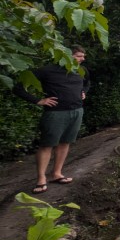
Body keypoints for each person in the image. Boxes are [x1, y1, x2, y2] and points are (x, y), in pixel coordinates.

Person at [13, 45, 90, 194]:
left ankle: (57, 174)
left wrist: (83, 92)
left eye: (83, 56)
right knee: (47, 145)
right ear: (67, 56)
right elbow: (18, 88)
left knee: (65, 143)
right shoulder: (47, 71)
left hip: (76, 111)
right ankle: (41, 178)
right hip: (56, 113)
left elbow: (86, 83)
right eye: (79, 56)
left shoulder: (82, 71)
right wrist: (38, 101)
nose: (83, 59)